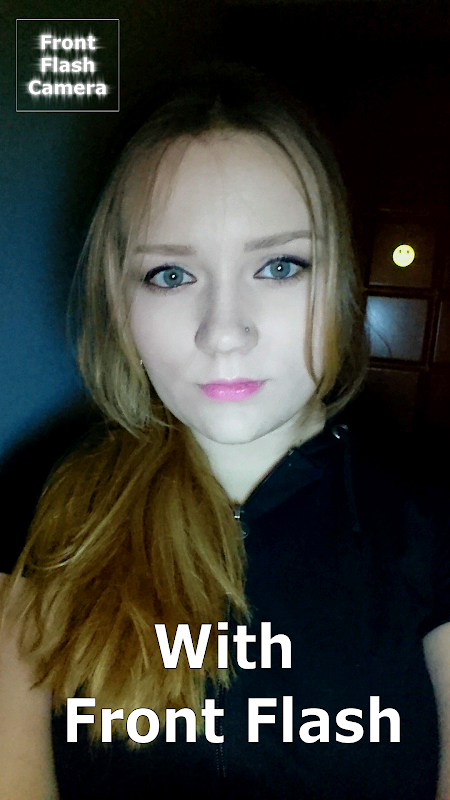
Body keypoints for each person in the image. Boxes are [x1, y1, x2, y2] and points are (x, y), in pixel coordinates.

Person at [1, 61, 449, 800]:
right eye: (170, 275)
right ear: (120, 302)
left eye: (279, 265)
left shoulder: (430, 522)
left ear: (339, 280)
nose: (225, 331)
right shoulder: (44, 512)